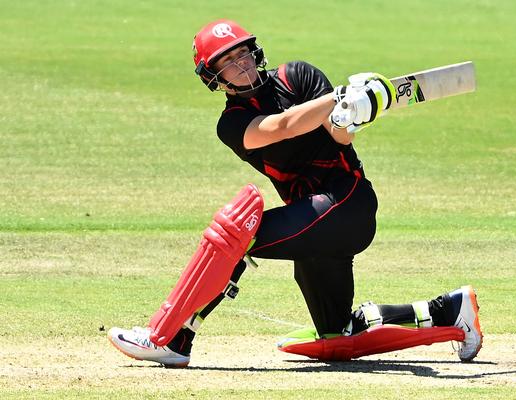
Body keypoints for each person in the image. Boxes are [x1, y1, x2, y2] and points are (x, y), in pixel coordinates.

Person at [108, 19, 482, 368]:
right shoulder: (232, 124)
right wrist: (341, 96)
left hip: (346, 202)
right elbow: (282, 126)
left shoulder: (297, 75)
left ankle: (172, 338)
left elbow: (340, 135)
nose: (241, 64)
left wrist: (356, 110)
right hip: (314, 224)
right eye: (228, 62)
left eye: (243, 53)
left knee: (236, 235)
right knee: (337, 334)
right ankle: (451, 310)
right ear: (214, 78)